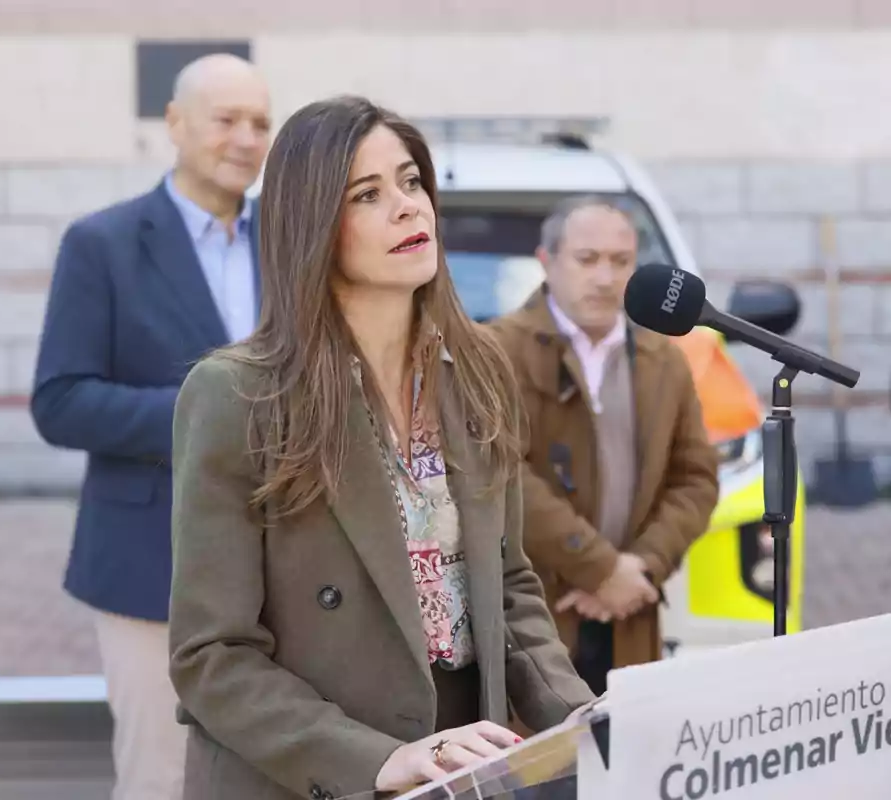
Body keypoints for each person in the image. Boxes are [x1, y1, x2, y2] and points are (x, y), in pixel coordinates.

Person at [167, 95, 596, 800]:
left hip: (461, 767)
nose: (408, 207)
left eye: (411, 181)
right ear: (311, 227)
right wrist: (374, 759)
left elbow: (507, 588)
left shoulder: (479, 370)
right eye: (367, 194)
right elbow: (212, 654)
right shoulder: (238, 396)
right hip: (313, 772)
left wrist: (579, 720)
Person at [30, 54, 271, 799]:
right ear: (174, 122)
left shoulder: (292, 242)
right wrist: (209, 410)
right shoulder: (101, 243)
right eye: (225, 119)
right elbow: (60, 400)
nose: (246, 138)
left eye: (261, 122)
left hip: (283, 557)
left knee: (272, 766)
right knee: (162, 776)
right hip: (147, 563)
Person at [486, 195, 720, 697]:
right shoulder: (497, 351)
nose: (606, 278)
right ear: (547, 262)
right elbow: (500, 473)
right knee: (541, 766)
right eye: (587, 259)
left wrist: (641, 567)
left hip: (629, 611)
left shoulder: (664, 359)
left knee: (624, 758)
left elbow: (695, 478)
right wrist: (599, 568)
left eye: (621, 261)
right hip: (535, 614)